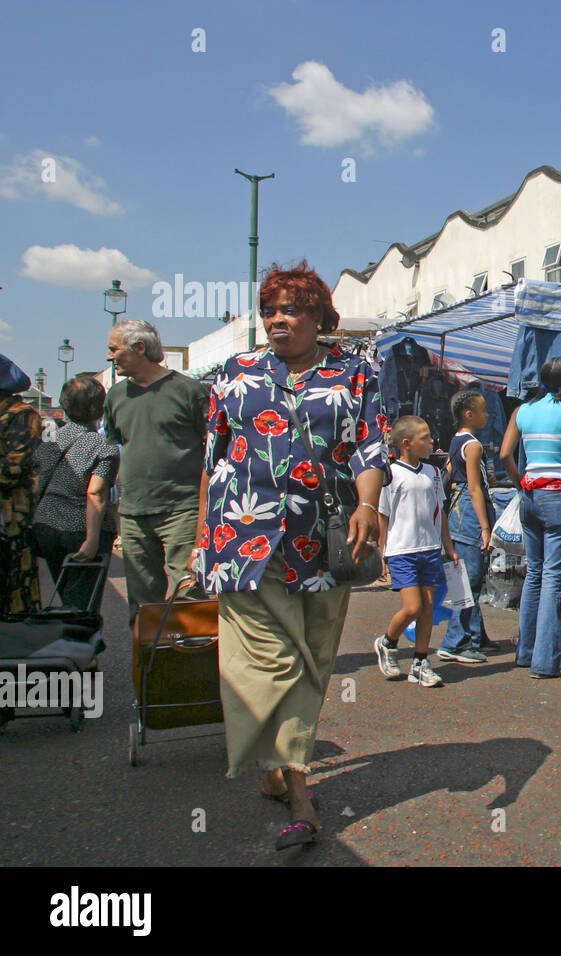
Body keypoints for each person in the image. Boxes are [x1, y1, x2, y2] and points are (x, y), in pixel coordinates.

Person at [188, 261, 388, 852]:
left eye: (292, 308)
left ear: (320, 317)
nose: (278, 319)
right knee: (275, 661)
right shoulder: (234, 371)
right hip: (241, 537)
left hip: (325, 539)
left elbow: (370, 444)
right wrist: (203, 537)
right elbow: (214, 458)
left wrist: (369, 505)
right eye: (271, 309)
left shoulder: (354, 371)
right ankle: (300, 796)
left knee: (316, 658)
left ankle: (278, 767)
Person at [104, 318, 207, 620]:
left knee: (188, 593)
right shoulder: (115, 396)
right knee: (141, 602)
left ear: (138, 348)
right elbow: (117, 446)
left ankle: (190, 664)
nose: (109, 357)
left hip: (182, 510)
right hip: (134, 512)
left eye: (113, 349)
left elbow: (215, 449)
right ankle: (147, 666)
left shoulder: (189, 391)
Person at [499, 357, 561, 679]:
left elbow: (503, 454)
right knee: (553, 578)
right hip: (559, 498)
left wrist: (520, 482)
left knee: (535, 574)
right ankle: (546, 661)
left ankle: (525, 652)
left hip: (530, 497)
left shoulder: (521, 411)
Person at [374, 415, 458, 687]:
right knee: (413, 607)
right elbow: (383, 515)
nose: (432, 441)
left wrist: (448, 546)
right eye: (425, 438)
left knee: (428, 609)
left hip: (430, 549)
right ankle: (387, 643)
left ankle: (420, 662)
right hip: (402, 551)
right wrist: (381, 552)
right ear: (406, 444)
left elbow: (441, 512)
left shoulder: (433, 473)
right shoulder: (390, 474)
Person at [32, 375, 119, 610]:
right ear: (100, 407)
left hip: (46, 525)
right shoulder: (103, 446)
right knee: (83, 604)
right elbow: (96, 494)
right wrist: (92, 540)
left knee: (67, 597)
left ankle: (74, 639)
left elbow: (37, 481)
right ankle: (81, 642)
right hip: (80, 528)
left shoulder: (50, 440)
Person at [438, 389, 497, 663]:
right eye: (483, 410)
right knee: (469, 578)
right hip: (470, 514)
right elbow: (473, 487)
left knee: (466, 575)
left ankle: (475, 636)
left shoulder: (457, 441)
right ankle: (455, 642)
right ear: (469, 414)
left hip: (457, 512)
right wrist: (485, 527)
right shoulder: (472, 445)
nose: (488, 414)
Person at [0, 354, 42, 615]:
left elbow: (13, 468)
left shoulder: (22, 415)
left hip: (11, 519)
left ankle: (20, 652)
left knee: (15, 586)